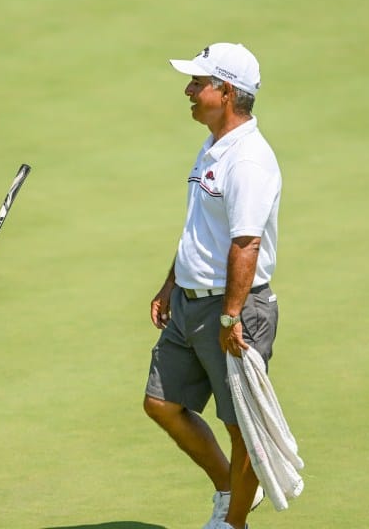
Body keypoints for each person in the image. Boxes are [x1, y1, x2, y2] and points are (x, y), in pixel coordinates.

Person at [144, 42, 282, 529]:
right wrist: (171, 283)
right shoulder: (213, 146)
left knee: (241, 427)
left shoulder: (248, 160)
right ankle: (232, 488)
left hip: (232, 310)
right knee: (161, 403)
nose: (188, 90)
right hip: (190, 301)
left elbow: (246, 243)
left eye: (198, 83)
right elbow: (201, 228)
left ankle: (234, 522)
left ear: (225, 92)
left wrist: (230, 316)